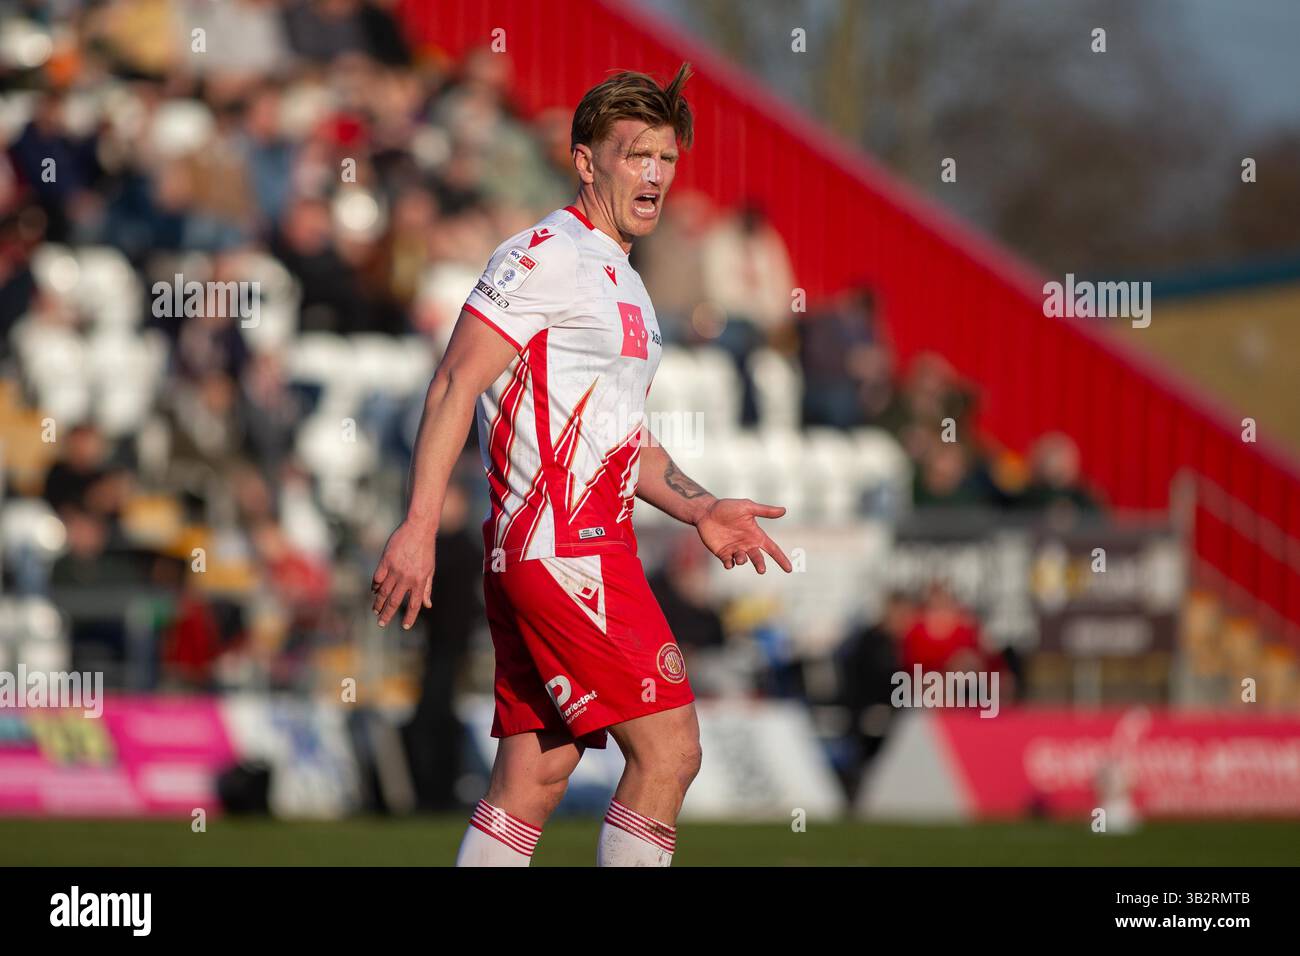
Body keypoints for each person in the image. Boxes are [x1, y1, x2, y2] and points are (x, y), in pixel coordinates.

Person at [369, 64, 791, 867]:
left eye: (666, 159)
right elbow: (457, 379)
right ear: (586, 162)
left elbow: (623, 441)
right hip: (565, 549)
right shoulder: (544, 256)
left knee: (534, 778)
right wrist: (419, 526)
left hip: (561, 548)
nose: (656, 176)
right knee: (671, 750)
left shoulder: (624, 282)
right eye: (636, 155)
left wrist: (700, 508)